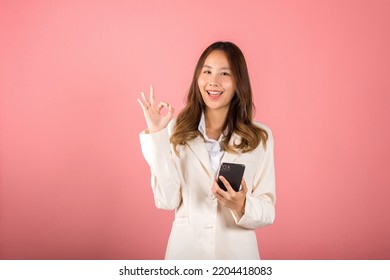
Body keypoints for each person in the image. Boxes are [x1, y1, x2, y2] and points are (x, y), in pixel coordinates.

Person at [137, 41, 275, 259]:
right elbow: (166, 200)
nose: (213, 81)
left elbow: (268, 210)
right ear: (197, 78)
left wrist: (242, 205)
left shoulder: (259, 137)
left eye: (224, 74)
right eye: (207, 71)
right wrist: (156, 136)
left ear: (239, 82)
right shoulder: (175, 130)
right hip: (186, 255)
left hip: (237, 257)